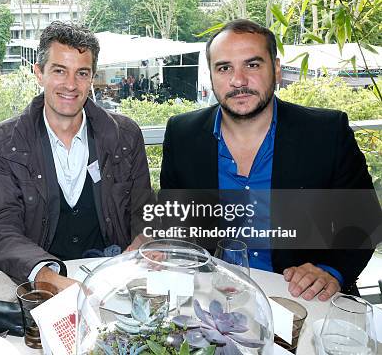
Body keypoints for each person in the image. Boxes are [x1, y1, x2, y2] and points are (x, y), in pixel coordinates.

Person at [160, 19, 380, 302]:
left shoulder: (326, 133)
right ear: (212, 75)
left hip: (300, 297)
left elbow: (365, 220)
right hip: (211, 296)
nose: (238, 80)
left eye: (252, 65)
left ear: (276, 69)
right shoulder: (182, 134)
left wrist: (330, 271)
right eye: (224, 67)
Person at [0, 21, 152, 291]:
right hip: (36, 284)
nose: (71, 85)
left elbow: (144, 210)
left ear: (92, 77)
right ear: (39, 73)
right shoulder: (2, 143)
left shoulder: (125, 136)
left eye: (82, 73)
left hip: (110, 281)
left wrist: (142, 242)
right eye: (59, 71)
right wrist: (46, 277)